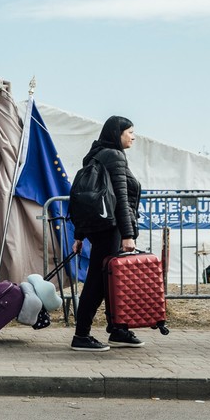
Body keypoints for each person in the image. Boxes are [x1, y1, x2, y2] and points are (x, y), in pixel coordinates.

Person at [70, 116, 144, 352]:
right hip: (111, 229)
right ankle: (82, 335)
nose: (133, 137)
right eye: (129, 132)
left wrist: (80, 235)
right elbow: (120, 199)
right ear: (116, 134)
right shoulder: (115, 156)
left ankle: (118, 330)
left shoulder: (96, 155)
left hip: (100, 229)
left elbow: (87, 197)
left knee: (112, 281)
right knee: (99, 282)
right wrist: (128, 235)